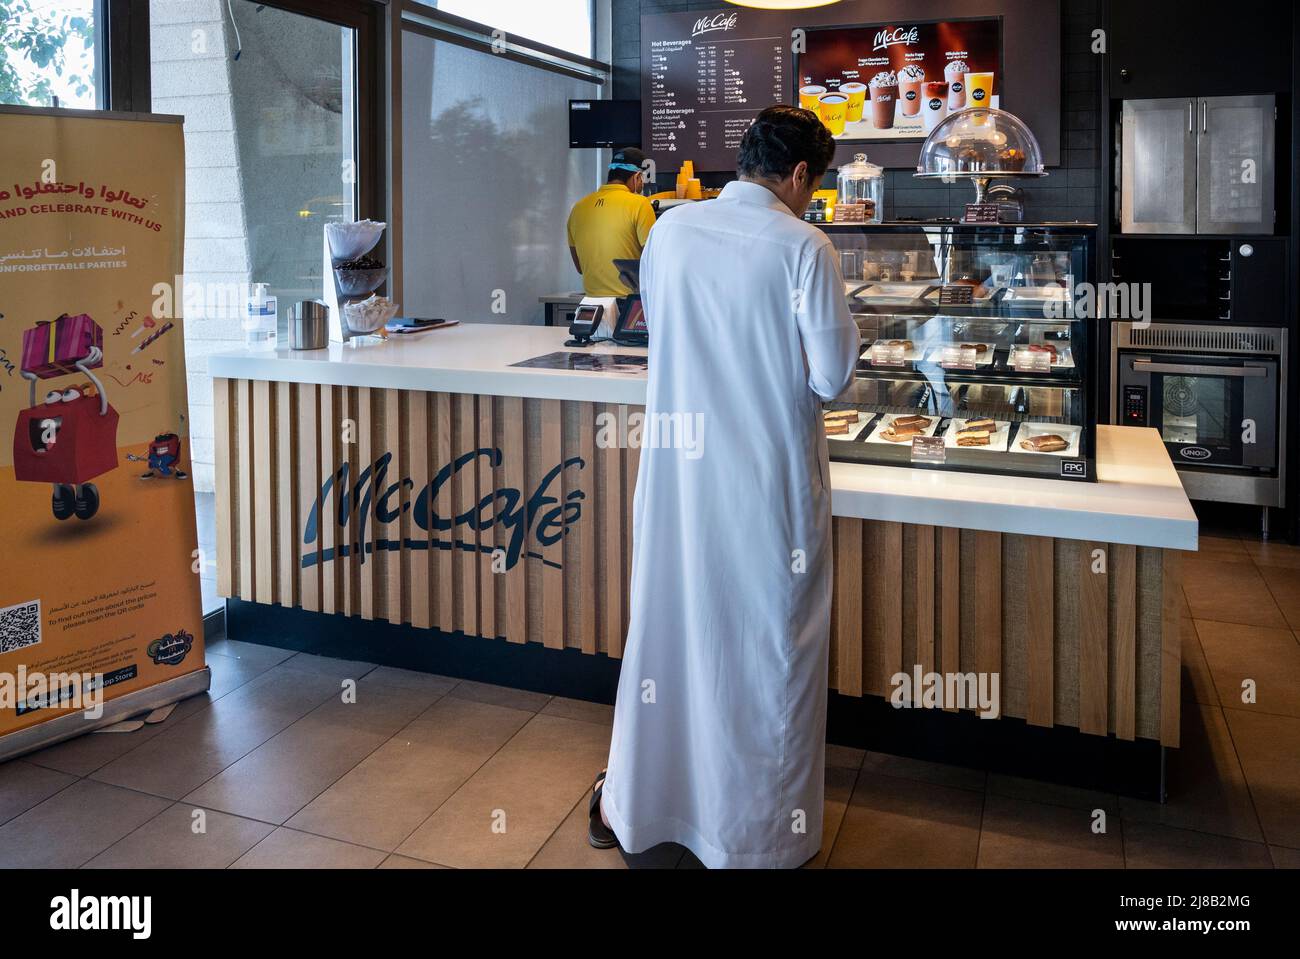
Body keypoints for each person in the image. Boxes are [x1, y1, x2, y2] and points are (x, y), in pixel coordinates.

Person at [590, 105, 861, 868]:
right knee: (765, 653)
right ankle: (758, 838)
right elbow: (833, 377)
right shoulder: (806, 246)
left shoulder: (671, 228)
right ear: (802, 175)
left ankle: (652, 807)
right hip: (763, 488)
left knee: (673, 640)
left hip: (679, 483)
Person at [566, 147, 656, 296]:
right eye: (643, 180)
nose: (642, 185)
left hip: (592, 305)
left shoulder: (578, 207)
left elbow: (580, 267)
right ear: (637, 176)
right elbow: (653, 260)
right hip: (629, 305)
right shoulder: (640, 203)